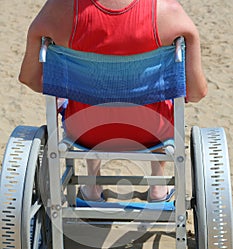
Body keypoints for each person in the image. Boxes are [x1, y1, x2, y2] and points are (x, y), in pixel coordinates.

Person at [19, 0, 207, 201]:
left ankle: (92, 183)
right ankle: (157, 185)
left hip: (84, 130)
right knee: (163, 99)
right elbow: (196, 93)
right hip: (152, 130)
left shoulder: (58, 9)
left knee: (82, 98)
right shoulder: (169, 11)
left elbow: (29, 78)